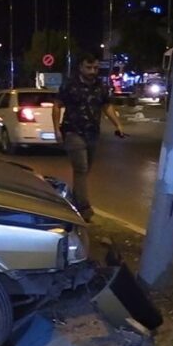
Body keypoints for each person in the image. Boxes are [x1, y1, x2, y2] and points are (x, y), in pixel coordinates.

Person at [52, 51, 125, 221]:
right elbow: (57, 106)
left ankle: (74, 201)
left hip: (92, 134)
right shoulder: (70, 85)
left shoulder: (100, 86)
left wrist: (118, 125)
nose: (93, 71)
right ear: (81, 67)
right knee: (81, 169)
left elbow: (106, 106)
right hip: (73, 132)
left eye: (96, 68)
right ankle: (84, 209)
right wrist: (56, 129)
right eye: (89, 67)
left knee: (84, 172)